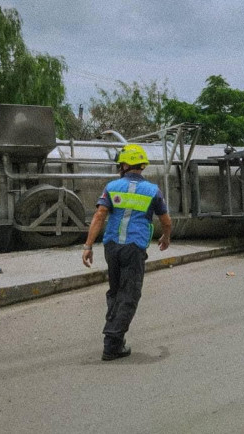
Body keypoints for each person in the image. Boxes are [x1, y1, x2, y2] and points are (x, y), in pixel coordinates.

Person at [82, 144, 172, 361]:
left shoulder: (112, 187)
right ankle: (112, 342)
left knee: (115, 291)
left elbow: (99, 216)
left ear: (123, 164)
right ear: (142, 165)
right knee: (130, 293)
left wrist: (88, 246)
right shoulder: (153, 190)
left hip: (111, 246)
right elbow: (166, 220)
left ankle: (115, 335)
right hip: (134, 247)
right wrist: (166, 237)